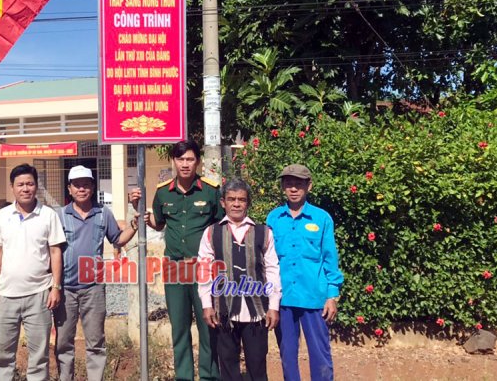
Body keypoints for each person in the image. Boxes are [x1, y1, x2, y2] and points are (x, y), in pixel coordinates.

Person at [131, 139, 223, 381]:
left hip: (203, 268)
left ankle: (209, 376)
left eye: (190, 159)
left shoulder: (211, 191)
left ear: (198, 162)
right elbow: (158, 223)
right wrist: (136, 207)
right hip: (174, 267)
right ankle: (184, 377)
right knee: (179, 327)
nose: (185, 164)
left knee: (208, 326)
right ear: (173, 161)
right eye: (180, 159)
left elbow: (221, 227)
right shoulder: (163, 193)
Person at [55, 165, 140, 381]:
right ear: (70, 188)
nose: (82, 189)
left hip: (94, 288)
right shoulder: (59, 216)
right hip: (65, 290)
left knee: (95, 342)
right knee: (64, 342)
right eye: (77, 185)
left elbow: (118, 239)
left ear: (92, 187)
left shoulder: (103, 214)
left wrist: (134, 226)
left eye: (86, 184)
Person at [266, 164, 344, 381]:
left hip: (314, 298)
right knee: (287, 354)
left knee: (320, 352)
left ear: (309, 186)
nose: (293, 189)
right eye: (289, 184)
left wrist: (331, 295)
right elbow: (268, 261)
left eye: (299, 184)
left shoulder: (322, 219)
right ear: (282, 187)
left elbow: (330, 259)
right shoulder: (273, 218)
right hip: (284, 299)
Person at [0, 163, 66, 381]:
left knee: (39, 356)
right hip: (5, 296)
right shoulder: (3, 216)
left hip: (39, 295)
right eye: (20, 184)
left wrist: (56, 287)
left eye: (30, 184)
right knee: (3, 356)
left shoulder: (48, 215)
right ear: (12, 187)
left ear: (36, 186)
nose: (26, 188)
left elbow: (55, 252)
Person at [199, 177, 281, 381]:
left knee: (257, 366)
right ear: (223, 202)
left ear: (248, 202)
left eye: (241, 200)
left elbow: (272, 270)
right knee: (227, 367)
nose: (236, 204)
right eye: (231, 199)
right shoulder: (211, 232)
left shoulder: (263, 232)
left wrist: (274, 306)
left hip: (257, 313)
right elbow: (204, 271)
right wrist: (206, 305)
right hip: (223, 312)